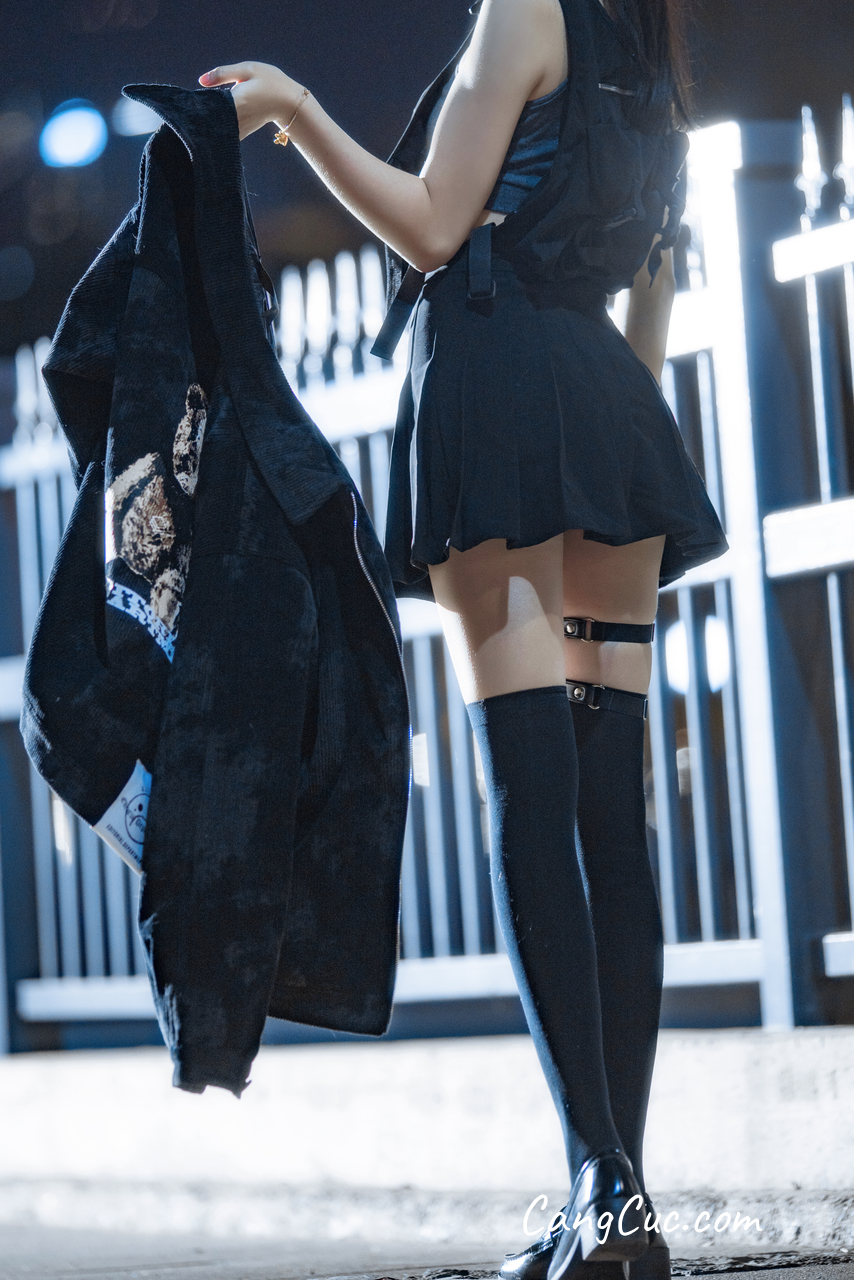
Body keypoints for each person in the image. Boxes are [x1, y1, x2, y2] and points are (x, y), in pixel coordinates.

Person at [198, 0, 726, 1276]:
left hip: (495, 388)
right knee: (611, 816)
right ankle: (616, 1199)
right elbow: (653, 278)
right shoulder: (650, 46)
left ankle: (599, 1180)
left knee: (530, 797)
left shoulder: (521, 11)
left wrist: (294, 109)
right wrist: (601, 432)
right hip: (609, 402)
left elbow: (434, 226)